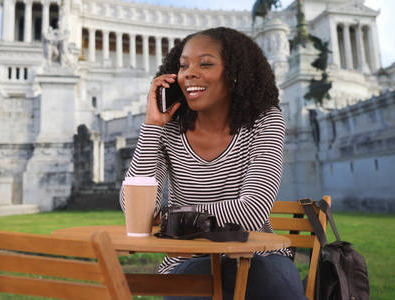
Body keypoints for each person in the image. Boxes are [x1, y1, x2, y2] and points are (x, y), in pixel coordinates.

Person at [120, 27, 305, 299]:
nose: (189, 73)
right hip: (187, 262)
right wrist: (152, 127)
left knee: (265, 281)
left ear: (234, 74)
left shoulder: (265, 122)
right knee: (197, 282)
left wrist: (172, 219)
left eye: (205, 63)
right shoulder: (168, 130)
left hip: (258, 257)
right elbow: (135, 210)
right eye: (183, 66)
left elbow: (252, 212)